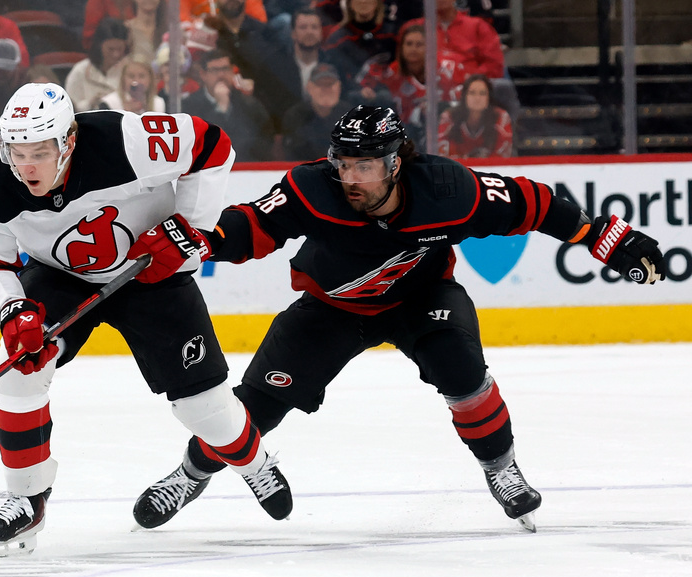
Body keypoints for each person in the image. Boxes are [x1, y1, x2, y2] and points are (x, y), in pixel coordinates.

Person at [134, 104, 666, 533]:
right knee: (255, 406)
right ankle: (189, 474)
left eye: (362, 166)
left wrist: (605, 237)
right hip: (332, 308)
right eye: (342, 164)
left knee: (461, 370)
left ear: (394, 164)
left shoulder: (448, 191)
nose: (349, 178)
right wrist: (201, 242)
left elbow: (536, 203)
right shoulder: (311, 189)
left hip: (423, 297)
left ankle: (501, 469)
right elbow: (252, 226)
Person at [0, 82, 292, 556]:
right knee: (17, 367)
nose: (26, 165)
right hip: (61, 278)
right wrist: (11, 309)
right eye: (16, 150)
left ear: (68, 140)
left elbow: (212, 145)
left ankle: (252, 460)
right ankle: (26, 501)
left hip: (151, 272)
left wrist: (187, 224)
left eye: (40, 150)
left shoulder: (125, 140)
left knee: (206, 411)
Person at [357, 23, 464, 129]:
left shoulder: (445, 71)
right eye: (409, 44)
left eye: (419, 44)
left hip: (440, 128)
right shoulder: (392, 73)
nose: (413, 48)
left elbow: (458, 105)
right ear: (401, 47)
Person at [181, 48, 274, 162]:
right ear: (203, 74)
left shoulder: (249, 104)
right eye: (215, 70)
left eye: (225, 69)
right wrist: (221, 108)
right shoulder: (189, 106)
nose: (221, 75)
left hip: (245, 168)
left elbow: (265, 139)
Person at [400, 0, 503, 80]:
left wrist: (471, 80)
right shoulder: (412, 30)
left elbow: (494, 65)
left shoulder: (478, 26)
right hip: (425, 93)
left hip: (470, 93)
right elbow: (402, 66)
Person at [281, 62, 349, 161]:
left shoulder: (351, 116)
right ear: (309, 88)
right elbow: (292, 155)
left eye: (330, 84)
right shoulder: (295, 116)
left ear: (339, 87)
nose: (326, 89)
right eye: (320, 84)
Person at [436, 73, 512, 159]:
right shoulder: (449, 117)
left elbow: (503, 159)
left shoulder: (501, 118)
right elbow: (443, 157)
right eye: (472, 93)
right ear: (464, 96)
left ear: (489, 98)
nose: (477, 98)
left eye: (482, 93)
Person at [63, 16, 129, 112]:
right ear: (99, 46)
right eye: (110, 49)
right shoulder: (80, 70)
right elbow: (70, 106)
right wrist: (91, 102)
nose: (116, 54)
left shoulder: (129, 69)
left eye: (119, 49)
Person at [97, 55, 164, 114]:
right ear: (123, 79)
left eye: (141, 76)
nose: (136, 81)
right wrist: (125, 113)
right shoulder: (109, 102)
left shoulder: (158, 103)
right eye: (131, 76)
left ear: (150, 79)